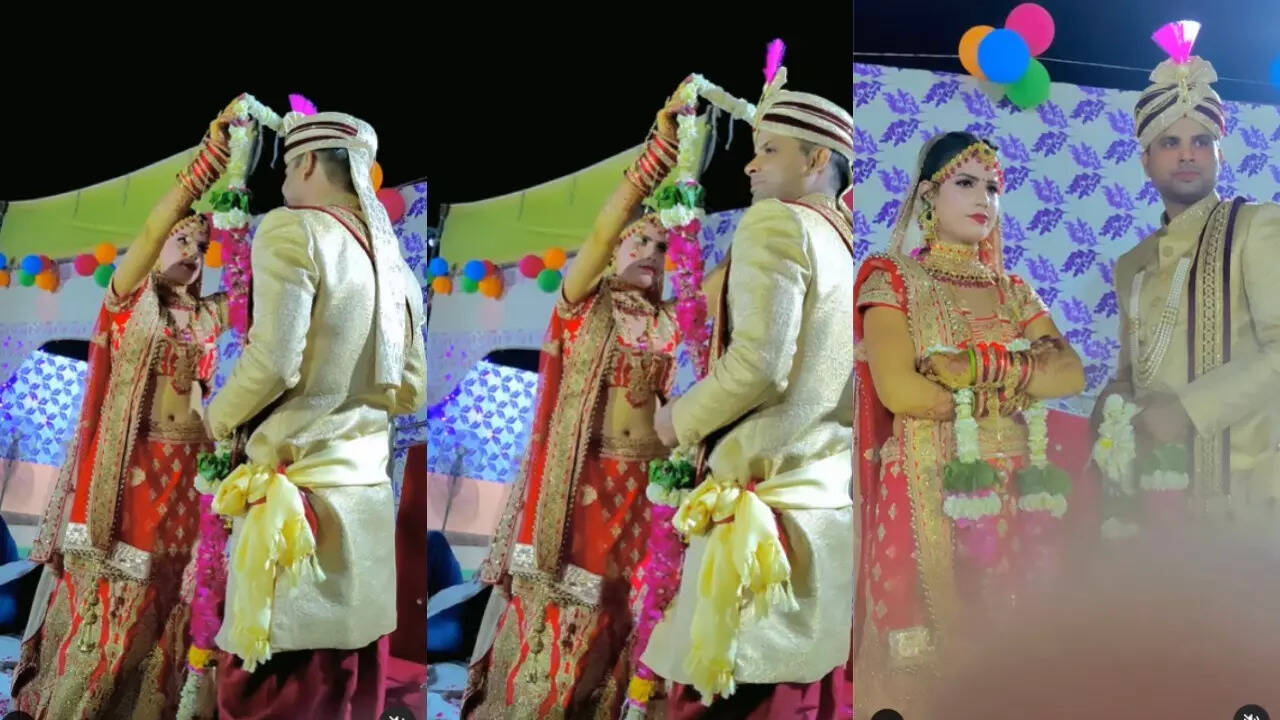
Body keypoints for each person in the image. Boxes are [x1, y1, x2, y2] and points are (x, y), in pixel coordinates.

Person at [461, 86, 691, 720]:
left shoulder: (675, 322)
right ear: (614, 252)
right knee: (562, 627)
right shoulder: (584, 302)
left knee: (626, 623)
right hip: (579, 489)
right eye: (637, 243)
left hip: (647, 493)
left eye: (662, 248)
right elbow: (602, 228)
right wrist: (659, 155)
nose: (649, 255)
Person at [13, 100, 239, 719]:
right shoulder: (128, 302)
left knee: (176, 604)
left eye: (202, 244)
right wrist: (212, 160)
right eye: (181, 238)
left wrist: (247, 206)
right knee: (121, 604)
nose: (192, 249)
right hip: (132, 475)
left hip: (193, 478)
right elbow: (152, 230)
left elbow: (259, 289)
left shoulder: (210, 314)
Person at [644, 67, 857, 719]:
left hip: (759, 527)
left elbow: (760, 366)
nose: (749, 165)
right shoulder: (846, 243)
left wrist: (676, 420)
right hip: (823, 516)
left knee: (721, 694)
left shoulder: (776, 224)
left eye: (769, 149)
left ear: (817, 161)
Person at [852, 131, 1086, 717]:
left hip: (1016, 489)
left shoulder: (1013, 290)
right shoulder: (891, 278)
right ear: (929, 195)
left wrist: (971, 369)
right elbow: (901, 391)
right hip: (924, 488)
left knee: (1010, 647)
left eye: (993, 187)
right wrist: (1019, 376)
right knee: (922, 656)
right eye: (966, 182)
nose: (985, 198)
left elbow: (1070, 375)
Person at [204, 108, 427, 720]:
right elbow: (410, 393)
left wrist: (216, 419)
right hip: (366, 512)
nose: (281, 181)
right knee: (350, 693)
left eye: (285, 167)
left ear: (306, 163)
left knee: (273, 694)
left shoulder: (292, 229)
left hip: (296, 517)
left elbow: (274, 363)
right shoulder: (397, 266)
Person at [1093, 53, 1280, 529]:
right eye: (1169, 142)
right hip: (1157, 497)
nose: (1187, 154)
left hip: (1250, 496)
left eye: (1201, 141)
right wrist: (1113, 399)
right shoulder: (1133, 264)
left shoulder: (1255, 228)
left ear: (1220, 154)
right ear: (1146, 161)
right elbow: (1133, 368)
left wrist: (1188, 411)